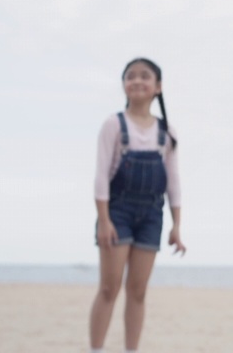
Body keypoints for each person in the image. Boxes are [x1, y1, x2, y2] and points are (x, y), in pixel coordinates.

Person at [90, 58, 187, 353]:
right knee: (109, 289)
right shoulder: (113, 125)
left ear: (158, 87)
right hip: (117, 212)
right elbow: (101, 176)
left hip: (152, 216)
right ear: (124, 85)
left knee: (138, 291)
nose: (137, 81)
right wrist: (104, 220)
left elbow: (173, 181)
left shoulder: (166, 132)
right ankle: (96, 349)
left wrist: (176, 226)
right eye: (130, 76)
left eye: (145, 76)